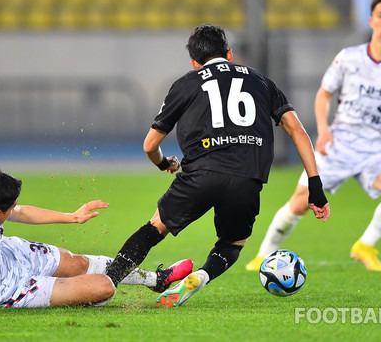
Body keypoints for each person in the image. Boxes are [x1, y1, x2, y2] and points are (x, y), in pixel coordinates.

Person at [104, 24, 330, 308]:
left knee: (155, 228)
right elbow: (298, 131)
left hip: (201, 173)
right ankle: (202, 275)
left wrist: (164, 163)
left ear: (194, 62)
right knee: (232, 244)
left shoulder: (186, 83)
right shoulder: (262, 82)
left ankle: (107, 282)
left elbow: (150, 145)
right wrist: (315, 186)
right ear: (230, 54)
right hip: (248, 178)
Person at [245, 0, 381, 273]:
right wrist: (324, 130)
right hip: (338, 144)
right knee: (299, 202)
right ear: (371, 20)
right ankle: (263, 256)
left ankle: (365, 245)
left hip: (376, 151)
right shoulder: (349, 57)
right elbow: (323, 94)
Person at [0, 168, 194, 313]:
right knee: (103, 288)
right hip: (9, 289)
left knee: (78, 263)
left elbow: (21, 211)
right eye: (9, 208)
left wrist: (71, 217)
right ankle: (108, 284)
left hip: (13, 255)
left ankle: (156, 281)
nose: (14, 209)